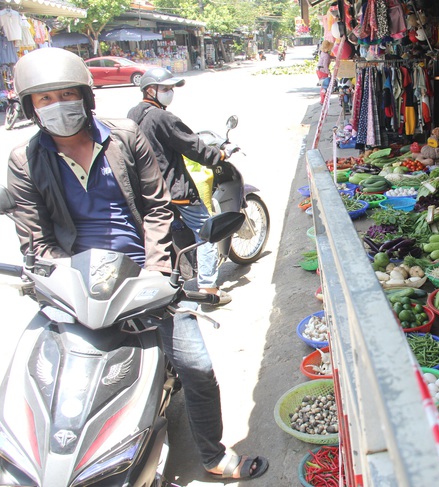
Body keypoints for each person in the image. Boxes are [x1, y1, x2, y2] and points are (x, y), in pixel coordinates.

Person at [6, 47, 268, 480]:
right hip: (76, 286)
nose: (58, 106)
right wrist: (62, 280)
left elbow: (158, 208)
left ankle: (212, 454)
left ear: (86, 98)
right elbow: (35, 239)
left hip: (146, 276)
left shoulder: (126, 137)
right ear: (31, 107)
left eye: (66, 94)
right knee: (48, 384)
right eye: (45, 99)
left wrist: (156, 271)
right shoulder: (24, 160)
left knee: (197, 367)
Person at [128, 67, 238, 304]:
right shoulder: (163, 117)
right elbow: (193, 146)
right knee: (206, 231)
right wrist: (218, 155)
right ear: (150, 90)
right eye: (165, 89)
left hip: (148, 190)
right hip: (173, 189)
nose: (170, 93)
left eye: (171, 89)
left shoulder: (135, 114)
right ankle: (209, 288)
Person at [316, 40, 334, 104]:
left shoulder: (323, 53)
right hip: (323, 71)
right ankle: (324, 101)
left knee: (323, 85)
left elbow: (329, 57)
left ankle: (323, 100)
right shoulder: (326, 56)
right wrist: (329, 73)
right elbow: (325, 66)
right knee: (325, 86)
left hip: (319, 70)